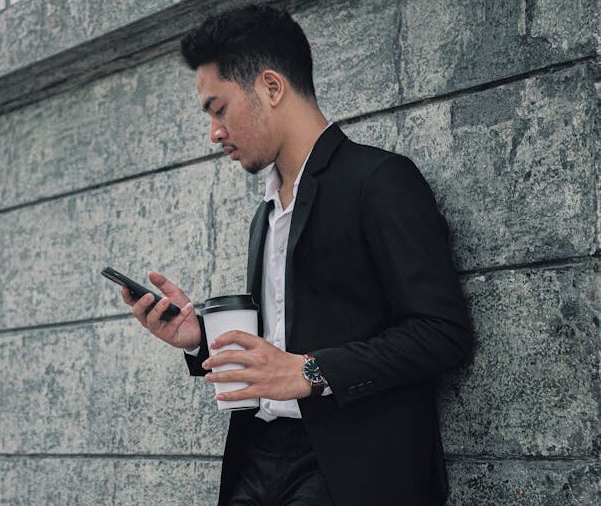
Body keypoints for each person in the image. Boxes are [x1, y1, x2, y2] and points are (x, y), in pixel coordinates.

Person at [118, 5, 473, 505]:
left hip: (347, 466)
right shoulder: (265, 214)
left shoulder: (379, 180)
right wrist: (199, 341)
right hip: (257, 457)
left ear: (270, 86)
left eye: (218, 109)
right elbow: (283, 339)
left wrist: (309, 372)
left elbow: (443, 333)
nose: (213, 132)